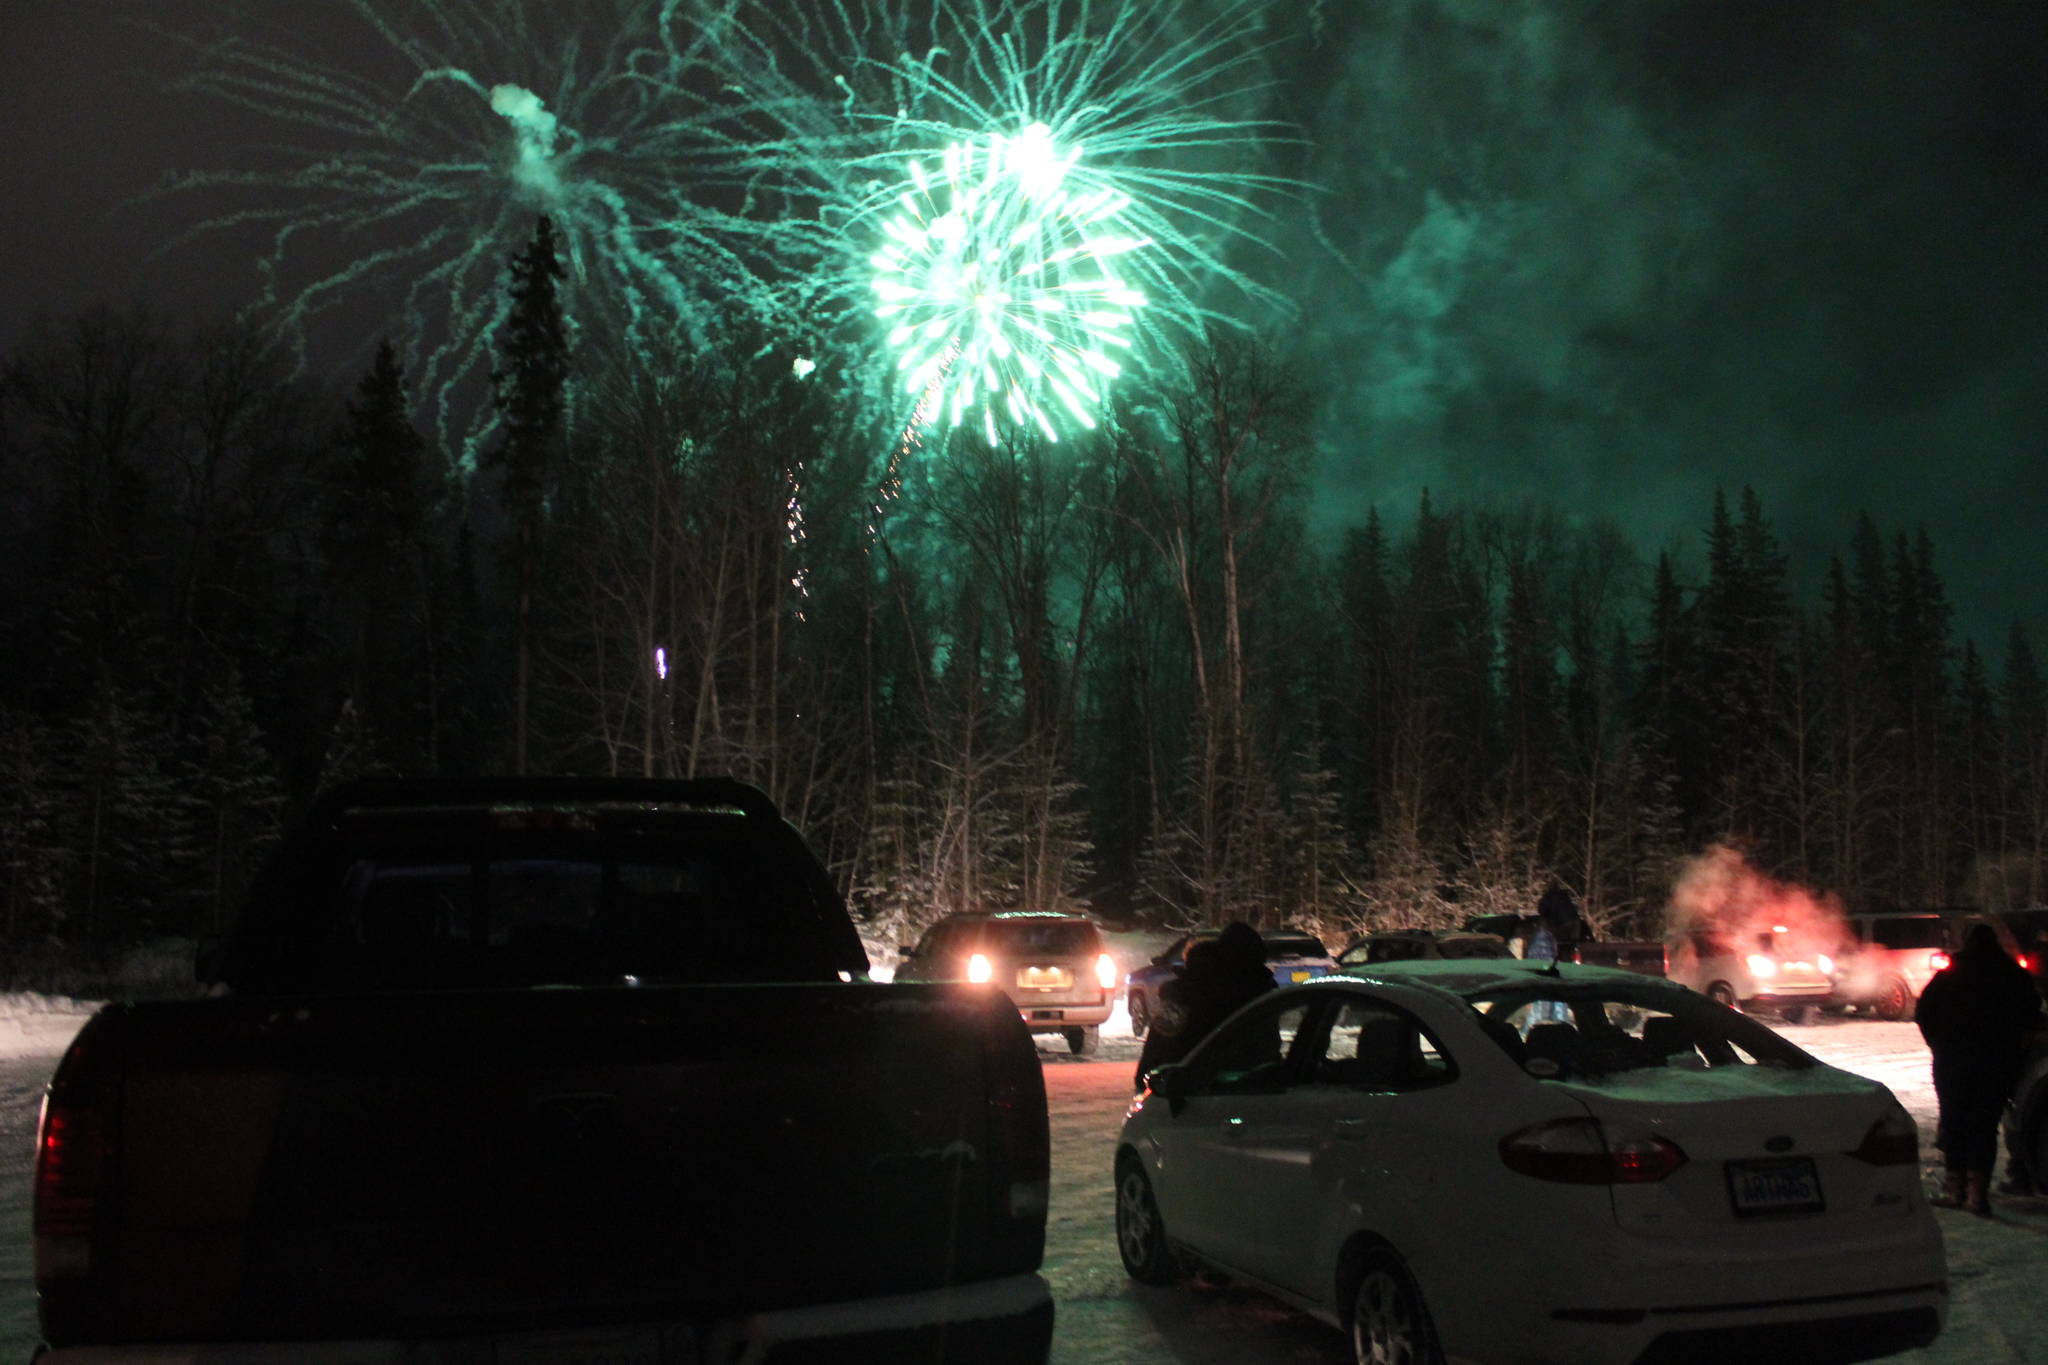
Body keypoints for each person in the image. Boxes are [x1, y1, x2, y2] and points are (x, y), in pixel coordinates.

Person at [1914, 923, 2044, 1216]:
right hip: (1997, 1063)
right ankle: (1977, 1194)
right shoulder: (2012, 975)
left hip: (1953, 1061)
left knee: (1954, 1121)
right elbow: (2031, 1012)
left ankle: (1954, 1188)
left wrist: (1938, 1043)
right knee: (1984, 1126)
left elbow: (1923, 1011)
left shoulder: (1949, 974)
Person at [1133, 922, 1277, 1090]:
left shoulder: (1250, 989)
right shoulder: (1243, 991)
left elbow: (1158, 1041)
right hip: (1187, 1090)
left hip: (1190, 1088)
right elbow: (1160, 1042)